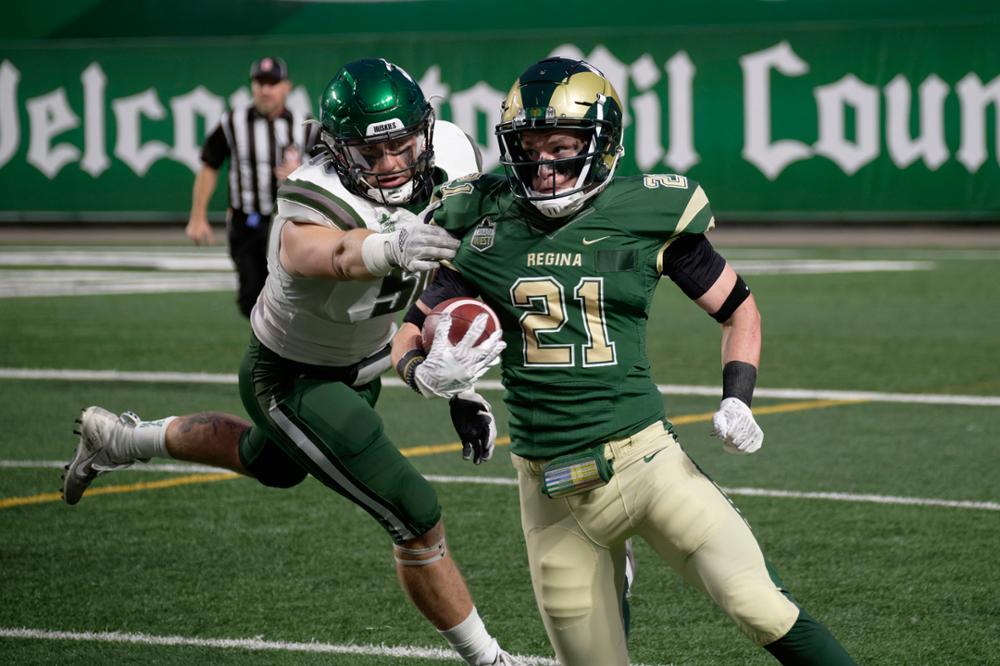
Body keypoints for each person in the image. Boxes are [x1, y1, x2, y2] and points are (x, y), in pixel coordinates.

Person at [390, 57, 856, 665]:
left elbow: (740, 309)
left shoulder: (647, 212)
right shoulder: (478, 219)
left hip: (649, 464)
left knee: (760, 606)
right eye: (529, 148)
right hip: (550, 491)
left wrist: (738, 397)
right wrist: (422, 375)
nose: (545, 167)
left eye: (561, 147)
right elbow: (410, 334)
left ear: (601, 145)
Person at [63, 58, 516, 666]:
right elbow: (320, 253)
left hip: (366, 362)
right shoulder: (313, 193)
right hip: (291, 375)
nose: (389, 165)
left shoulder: (454, 155)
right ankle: (490, 660)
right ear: (336, 150)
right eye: (368, 152)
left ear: (426, 130)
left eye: (401, 146)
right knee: (415, 513)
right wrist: (391, 244)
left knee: (270, 464)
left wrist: (460, 384)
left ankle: (119, 439)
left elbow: (450, 272)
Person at [186, 56, 320, 317]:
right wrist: (198, 215)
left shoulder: (304, 126)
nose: (266, 90)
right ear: (252, 86)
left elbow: (327, 170)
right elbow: (209, 164)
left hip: (289, 223)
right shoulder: (233, 122)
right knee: (251, 297)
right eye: (260, 83)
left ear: (286, 87)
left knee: (293, 296)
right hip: (246, 224)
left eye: (272, 83)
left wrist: (302, 174)